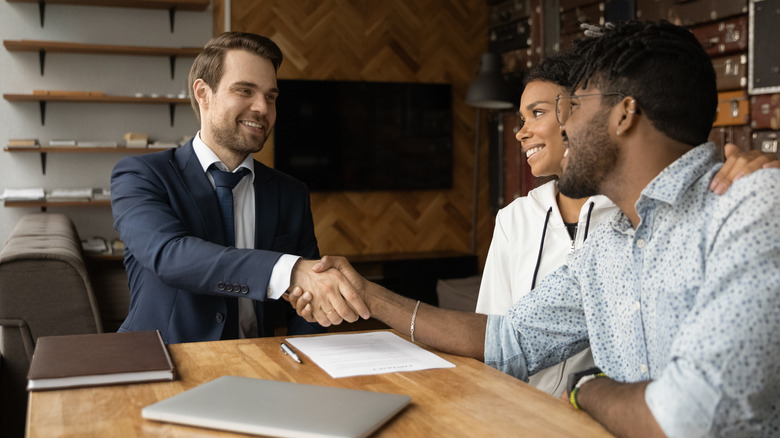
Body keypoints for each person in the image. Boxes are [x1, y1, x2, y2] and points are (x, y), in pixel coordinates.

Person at [290, 21, 780, 437]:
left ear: (624, 114)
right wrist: (371, 297)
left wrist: (586, 387)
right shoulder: (608, 244)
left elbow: (690, 414)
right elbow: (510, 341)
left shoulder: (751, 205)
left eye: (576, 106)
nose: (563, 128)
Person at [477, 52, 778, 397]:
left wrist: (583, 392)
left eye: (540, 112)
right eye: (522, 117)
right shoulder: (517, 219)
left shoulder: (637, 213)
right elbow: (501, 337)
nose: (520, 133)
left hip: (611, 416)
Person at [111, 32, 368, 344]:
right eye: (245, 90)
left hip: (259, 366)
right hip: (162, 364)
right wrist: (287, 270)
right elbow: (170, 255)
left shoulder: (290, 193)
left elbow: (305, 307)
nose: (262, 107)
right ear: (203, 93)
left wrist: (305, 363)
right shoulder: (141, 176)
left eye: (271, 97)